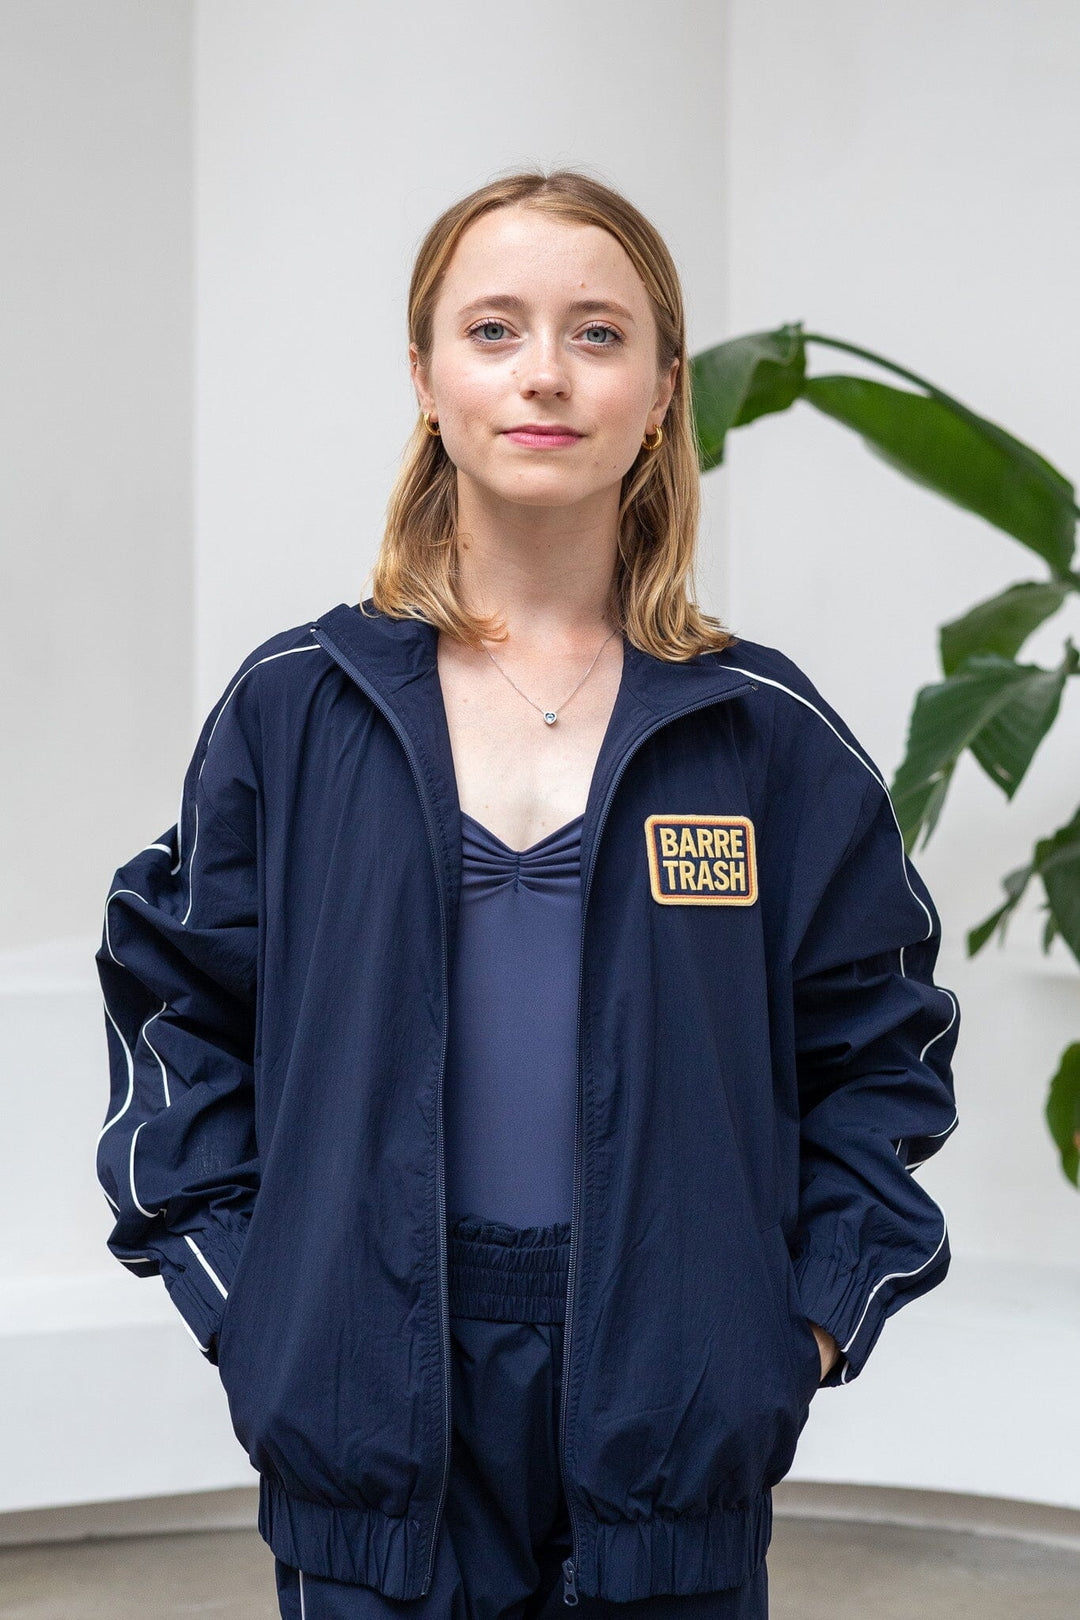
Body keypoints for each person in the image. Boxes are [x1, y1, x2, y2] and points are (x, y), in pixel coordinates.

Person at [94, 170, 961, 1619]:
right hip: (370, 1404)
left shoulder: (761, 734)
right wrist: (265, 1313)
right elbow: (176, 1015)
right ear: (425, 379)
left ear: (666, 389)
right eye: (493, 330)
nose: (544, 374)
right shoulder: (297, 711)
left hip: (671, 1407)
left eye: (598, 333)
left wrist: (789, 1331)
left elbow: (884, 1051)